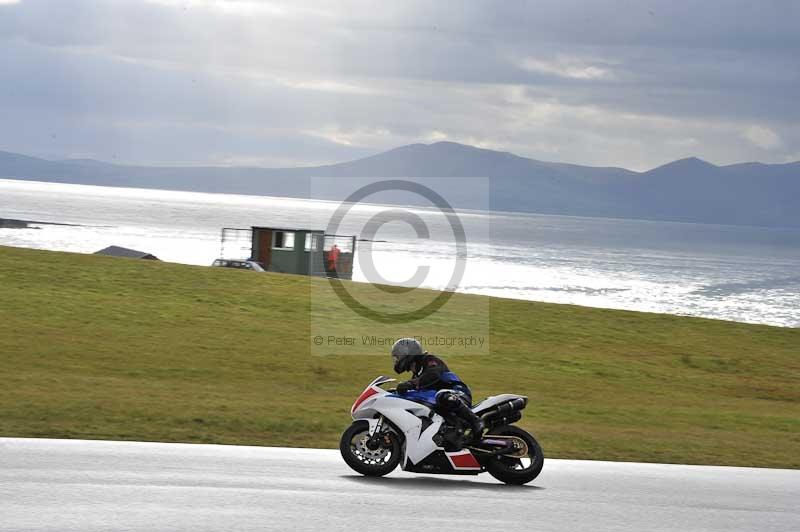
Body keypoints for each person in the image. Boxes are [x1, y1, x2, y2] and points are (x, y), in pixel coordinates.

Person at [391, 337, 484, 444]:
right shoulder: (416, 374)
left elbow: (433, 374)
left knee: (441, 395)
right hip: (443, 403)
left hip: (458, 393)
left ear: (408, 353)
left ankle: (475, 421)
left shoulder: (429, 360)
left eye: (398, 357)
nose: (397, 360)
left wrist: (410, 384)